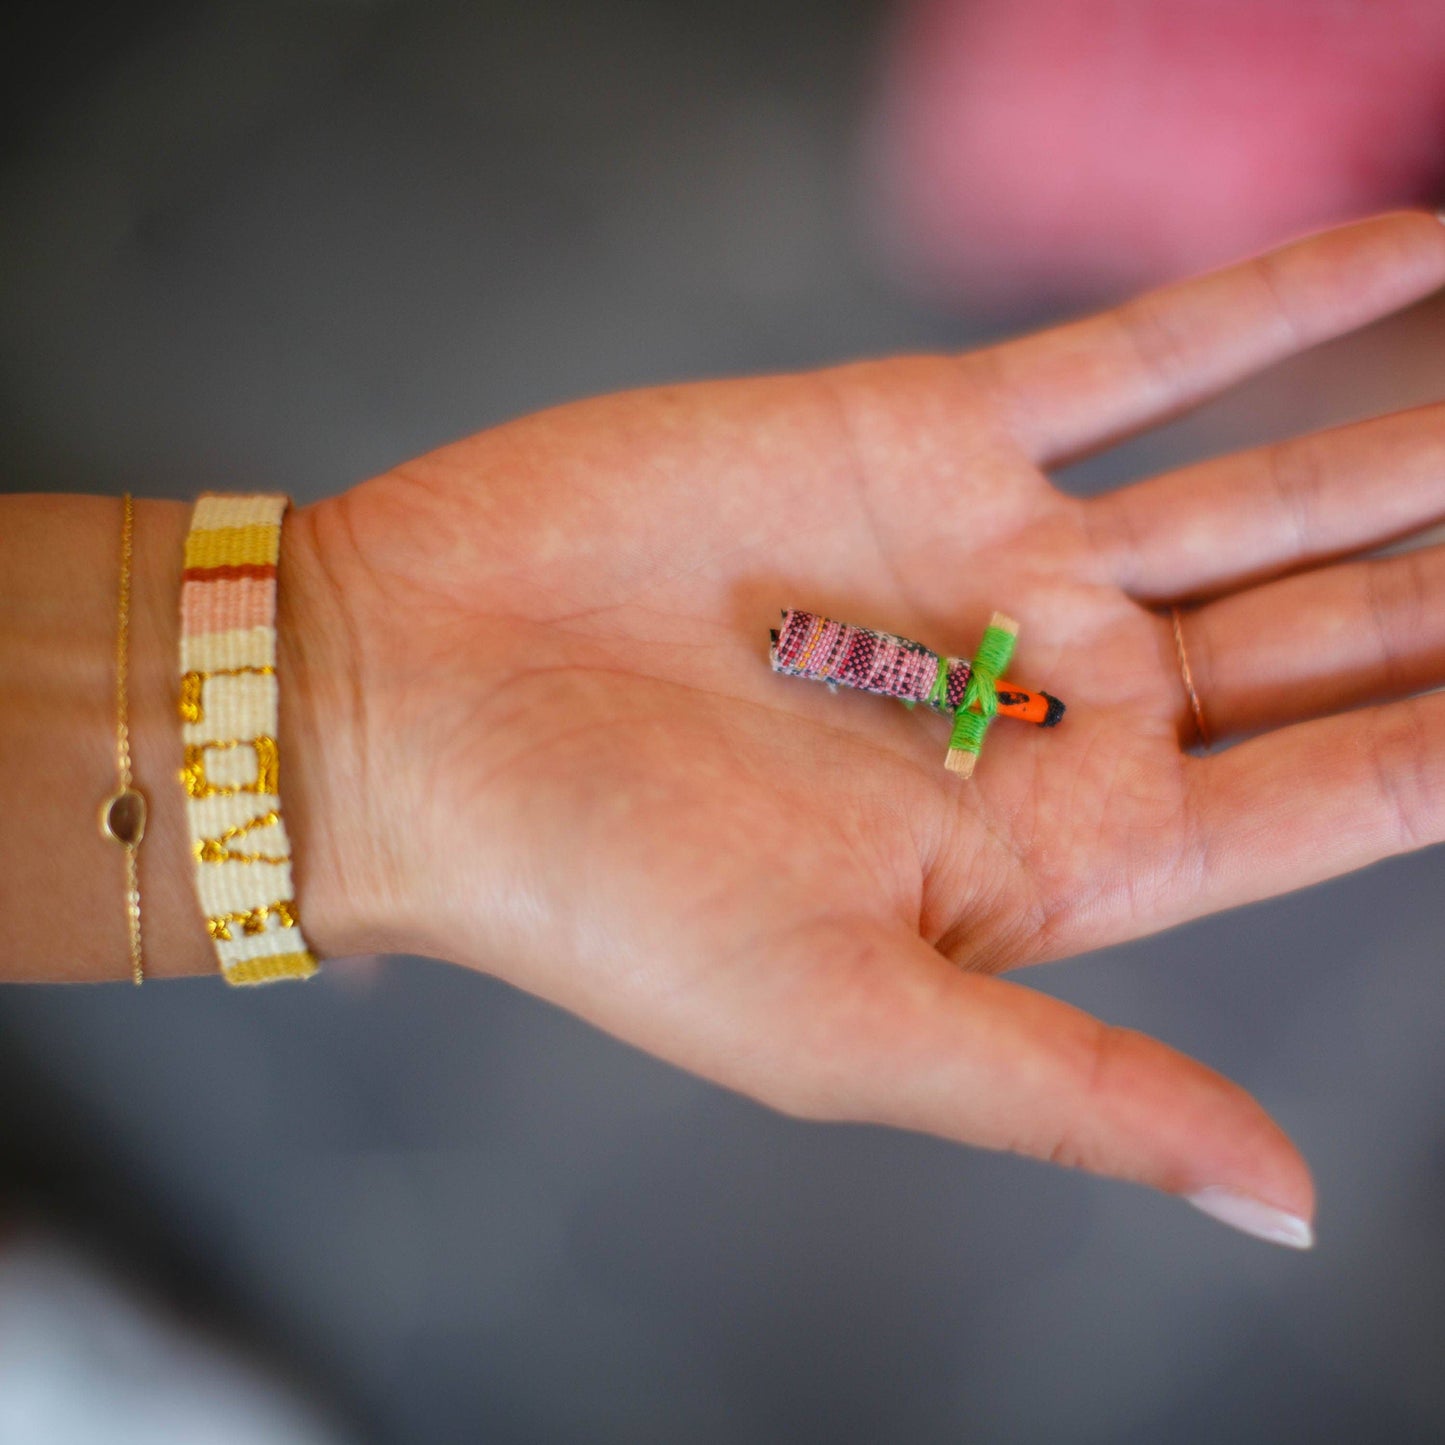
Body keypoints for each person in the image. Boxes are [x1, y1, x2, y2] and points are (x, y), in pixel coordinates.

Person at [5, 211, 1445, 1249]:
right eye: (1007, 700)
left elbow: (974, 696)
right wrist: (347, 690)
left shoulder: (980, 690)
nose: (1010, 704)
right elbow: (935, 688)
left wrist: (340, 680)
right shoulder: (945, 684)